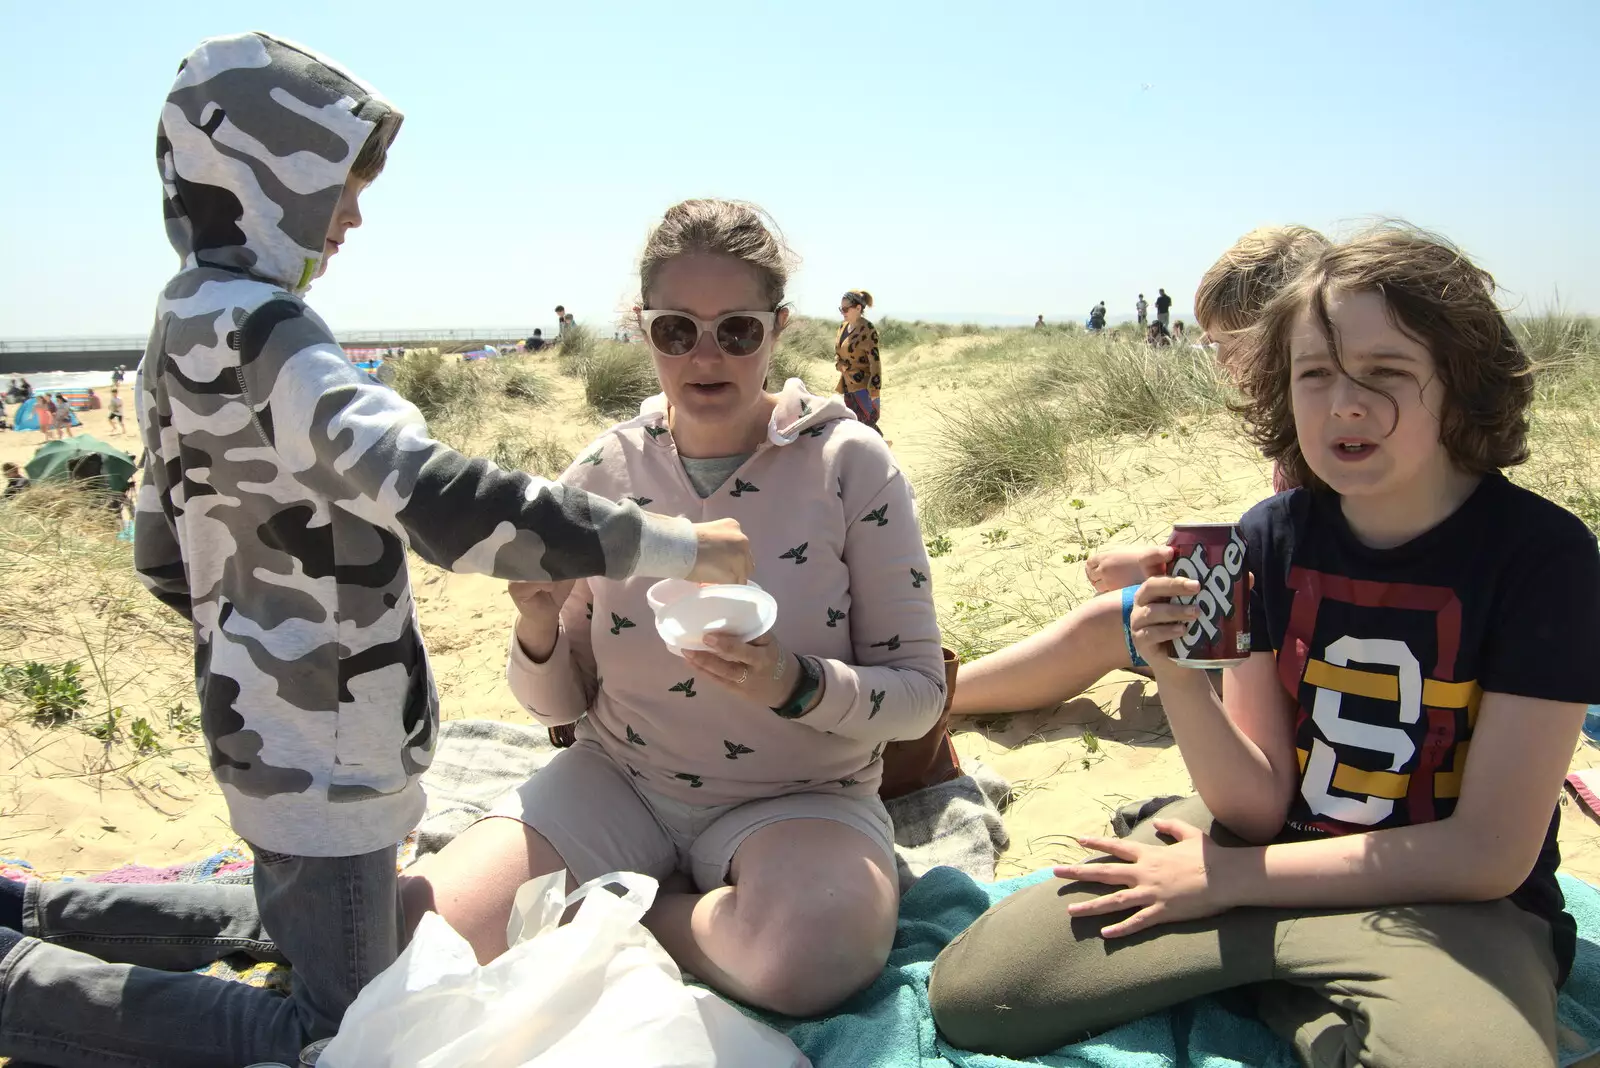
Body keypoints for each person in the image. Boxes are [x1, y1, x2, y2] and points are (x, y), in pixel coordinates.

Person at [0, 35, 751, 1068]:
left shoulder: (180, 317)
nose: (352, 216)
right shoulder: (275, 337)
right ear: (266, 178)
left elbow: (159, 551)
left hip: (255, 725)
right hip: (329, 747)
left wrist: (245, 650)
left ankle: (31, 906)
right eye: (335, 188)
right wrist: (682, 547)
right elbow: (445, 505)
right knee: (342, 1028)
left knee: (304, 916)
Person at [930, 224, 1600, 1067]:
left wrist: (1232, 884)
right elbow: (1253, 804)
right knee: (983, 994)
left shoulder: (1543, 558)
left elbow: (1488, 855)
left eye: (1385, 373)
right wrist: (1175, 676)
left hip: (1447, 902)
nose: (1343, 405)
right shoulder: (1269, 537)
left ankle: (1288, 983)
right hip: (1273, 846)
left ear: (1462, 383)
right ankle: (1300, 978)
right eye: (1314, 376)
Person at [403, 198, 945, 1019]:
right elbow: (557, 706)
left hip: (802, 795)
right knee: (418, 939)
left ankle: (612, 917)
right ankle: (667, 920)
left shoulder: (849, 465)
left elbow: (917, 695)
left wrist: (791, 683)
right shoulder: (604, 472)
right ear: (643, 329)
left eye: (736, 330)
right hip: (619, 778)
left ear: (777, 327)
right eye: (675, 331)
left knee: (812, 954)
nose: (705, 355)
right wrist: (538, 627)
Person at [947, 225, 1329, 719]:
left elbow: (1304, 574)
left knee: (1111, 621)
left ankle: (928, 702)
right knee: (1136, 608)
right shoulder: (1314, 423)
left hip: (1300, 667)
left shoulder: (1319, 435)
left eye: (1224, 344)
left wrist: (1169, 575)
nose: (1221, 364)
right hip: (1303, 646)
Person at [835, 289, 884, 435]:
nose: (843, 312)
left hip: (863, 387)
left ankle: (880, 450)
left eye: (845, 309)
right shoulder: (842, 327)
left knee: (868, 424)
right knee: (852, 423)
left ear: (858, 308)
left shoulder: (868, 329)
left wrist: (875, 389)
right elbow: (838, 353)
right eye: (840, 309)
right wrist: (839, 365)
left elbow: (875, 362)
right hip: (847, 385)